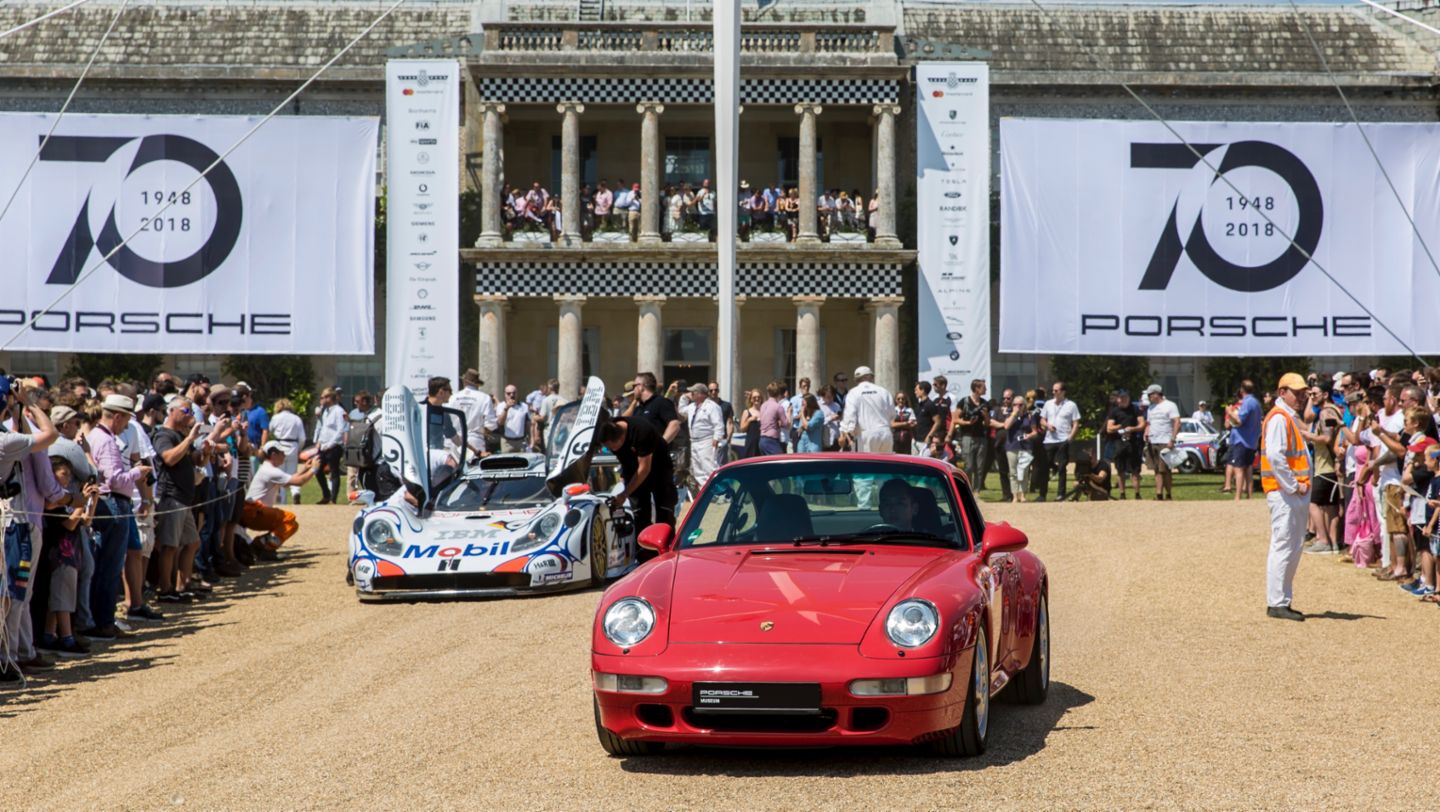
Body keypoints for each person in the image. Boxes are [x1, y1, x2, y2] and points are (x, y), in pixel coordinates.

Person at [1261, 373, 1313, 621]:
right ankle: (1277, 602)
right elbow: (1275, 456)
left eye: (1303, 393)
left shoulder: (1286, 417)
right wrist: (1292, 485)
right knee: (1284, 545)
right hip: (1285, 492)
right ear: (1282, 392)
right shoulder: (1280, 418)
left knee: (1290, 545)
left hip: (1289, 492)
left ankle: (1281, 600)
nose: (1301, 397)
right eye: (1296, 392)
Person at [599, 415, 676, 536]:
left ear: (622, 438)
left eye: (612, 447)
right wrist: (624, 479)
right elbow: (624, 460)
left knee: (664, 511)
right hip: (633, 467)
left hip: (659, 466)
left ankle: (666, 542)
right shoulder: (608, 430)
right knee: (639, 512)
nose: (611, 450)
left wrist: (624, 494)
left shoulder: (641, 432)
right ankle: (642, 545)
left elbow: (644, 469)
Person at [240, 442, 321, 555]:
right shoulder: (270, 471)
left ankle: (261, 544)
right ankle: (265, 548)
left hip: (253, 512)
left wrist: (305, 469)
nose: (284, 455)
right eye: (282, 453)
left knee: (292, 525)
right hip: (254, 512)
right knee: (289, 519)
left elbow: (289, 480)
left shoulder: (268, 468)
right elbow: (299, 482)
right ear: (273, 454)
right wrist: (314, 469)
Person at [839, 366, 895, 509]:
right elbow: (892, 414)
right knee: (884, 472)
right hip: (885, 432)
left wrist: (847, 433)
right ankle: (887, 505)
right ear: (871, 377)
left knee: (863, 472)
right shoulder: (883, 391)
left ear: (856, 379)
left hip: (865, 434)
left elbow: (850, 416)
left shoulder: (854, 392)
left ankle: (864, 507)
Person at [1300, 382, 1344, 555]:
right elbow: (1308, 417)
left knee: (1313, 503)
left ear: (1325, 395)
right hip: (1328, 466)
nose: (1312, 397)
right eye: (1310, 394)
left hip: (1326, 466)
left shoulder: (1327, 412)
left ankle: (1323, 540)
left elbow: (1326, 438)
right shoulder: (1327, 410)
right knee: (1330, 506)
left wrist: (1308, 436)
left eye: (1315, 394)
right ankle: (1333, 543)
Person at [1037, 381, 1081, 502]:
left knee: (1062, 467)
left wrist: (1070, 438)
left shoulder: (1071, 405)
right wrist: (1047, 425)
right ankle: (1042, 494)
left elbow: (1076, 423)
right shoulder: (1048, 404)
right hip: (1049, 440)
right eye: (1053, 390)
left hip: (1063, 439)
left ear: (1063, 392)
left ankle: (1061, 494)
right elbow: (1042, 420)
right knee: (1045, 467)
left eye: (1056, 390)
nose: (1053, 392)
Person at [681, 383, 725, 489]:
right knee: (697, 468)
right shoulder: (692, 406)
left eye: (693, 392)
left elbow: (718, 424)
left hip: (707, 440)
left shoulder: (712, 406)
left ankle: (718, 490)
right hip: (694, 441)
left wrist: (716, 438)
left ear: (701, 394)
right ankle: (704, 489)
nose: (691, 394)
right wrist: (684, 398)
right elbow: (681, 411)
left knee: (709, 467)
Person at [1224, 381, 1262, 500]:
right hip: (1251, 440)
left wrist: (1230, 412)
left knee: (1238, 468)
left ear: (1242, 390)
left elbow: (1239, 421)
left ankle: (1238, 496)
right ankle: (1249, 495)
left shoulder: (1247, 402)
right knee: (1248, 468)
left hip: (1242, 440)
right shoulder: (1256, 403)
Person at [1105, 389, 1146, 499]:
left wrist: (1133, 428)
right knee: (1120, 470)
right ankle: (1122, 494)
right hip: (1119, 443)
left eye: (1125, 397)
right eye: (1121, 398)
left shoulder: (1135, 409)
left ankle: (1137, 494)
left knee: (1135, 470)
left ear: (1129, 398)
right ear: (1118, 399)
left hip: (1133, 443)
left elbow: (1142, 424)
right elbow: (1109, 428)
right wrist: (1119, 427)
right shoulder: (1114, 411)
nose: (1123, 399)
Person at [1142, 384, 1181, 501]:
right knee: (1157, 470)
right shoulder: (1151, 408)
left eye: (1150, 395)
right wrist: (1146, 432)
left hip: (1165, 441)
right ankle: (1159, 494)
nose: (1149, 397)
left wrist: (1172, 439)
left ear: (1156, 394)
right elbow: (1149, 423)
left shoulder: (1170, 405)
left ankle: (1168, 494)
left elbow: (1177, 422)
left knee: (1165, 470)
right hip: (1153, 441)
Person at [449, 369, 497, 457]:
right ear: (477, 384)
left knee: (456, 465)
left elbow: (447, 420)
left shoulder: (453, 397)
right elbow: (491, 424)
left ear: (464, 382)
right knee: (474, 465)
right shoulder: (484, 397)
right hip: (476, 440)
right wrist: (484, 432)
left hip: (456, 440)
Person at [314, 387, 348, 504]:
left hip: (334, 446)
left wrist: (330, 444)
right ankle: (326, 495)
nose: (322, 399)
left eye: (324, 397)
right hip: (323, 446)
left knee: (334, 471)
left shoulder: (339, 411)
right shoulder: (325, 411)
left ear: (330, 398)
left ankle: (333, 499)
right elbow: (324, 428)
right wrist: (319, 441)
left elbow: (340, 430)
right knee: (317, 470)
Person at [952, 379, 989, 484]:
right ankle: (968, 487)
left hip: (981, 437)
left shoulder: (984, 403)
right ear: (976, 389)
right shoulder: (964, 402)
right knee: (968, 466)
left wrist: (986, 416)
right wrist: (968, 422)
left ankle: (977, 490)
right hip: (967, 437)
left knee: (980, 466)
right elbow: (955, 419)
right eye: (983, 387)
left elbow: (987, 424)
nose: (986, 389)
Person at [1003, 394, 1038, 503]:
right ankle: (1014, 496)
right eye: (1015, 404)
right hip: (1012, 446)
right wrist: (1014, 414)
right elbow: (1006, 426)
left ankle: (1022, 495)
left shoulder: (1029, 416)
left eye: (1020, 404)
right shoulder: (1009, 414)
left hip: (1026, 446)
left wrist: (1029, 435)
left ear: (1024, 405)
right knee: (1013, 472)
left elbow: (1035, 432)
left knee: (1024, 471)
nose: (1017, 406)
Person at [268, 399, 305, 504]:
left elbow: (269, 431)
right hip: (293, 446)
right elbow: (302, 438)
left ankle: (283, 501)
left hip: (279, 445)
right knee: (293, 473)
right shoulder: (296, 418)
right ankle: (295, 492)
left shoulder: (275, 418)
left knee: (281, 474)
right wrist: (299, 449)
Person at [496, 385, 536, 453]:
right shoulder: (501, 406)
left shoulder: (524, 406)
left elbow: (529, 425)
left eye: (514, 393)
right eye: (508, 393)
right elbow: (500, 422)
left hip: (521, 442)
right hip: (507, 442)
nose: (512, 395)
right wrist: (506, 408)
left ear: (517, 394)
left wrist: (532, 440)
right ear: (505, 394)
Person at [757, 381, 791, 456]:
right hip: (771, 440)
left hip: (762, 439)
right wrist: (789, 412)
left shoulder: (763, 405)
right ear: (779, 394)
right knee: (780, 460)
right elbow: (786, 424)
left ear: (768, 393)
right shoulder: (778, 407)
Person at [739, 390, 763, 459]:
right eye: (754, 397)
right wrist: (749, 420)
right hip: (751, 443)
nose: (757, 399)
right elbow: (742, 429)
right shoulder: (746, 412)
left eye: (758, 397)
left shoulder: (764, 411)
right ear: (751, 399)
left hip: (762, 443)